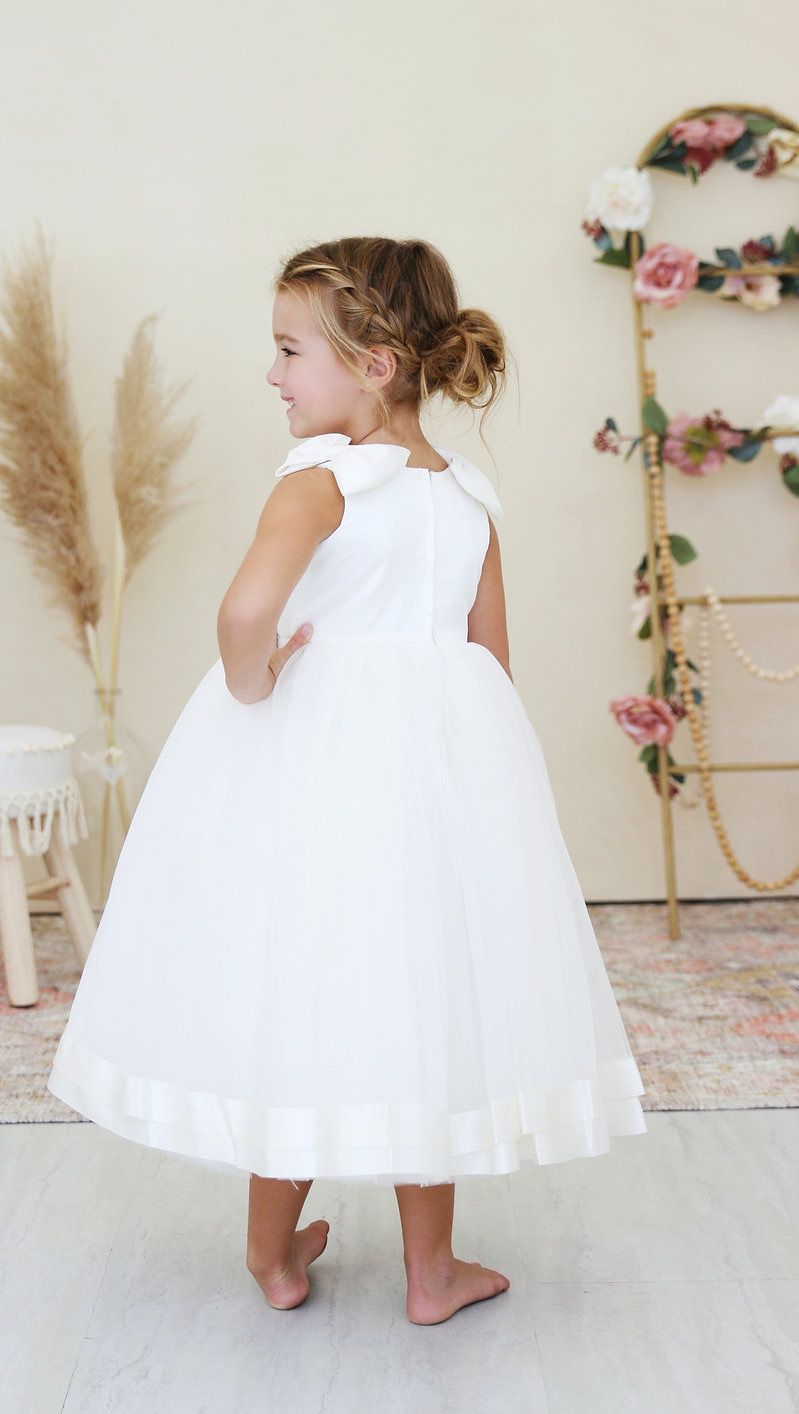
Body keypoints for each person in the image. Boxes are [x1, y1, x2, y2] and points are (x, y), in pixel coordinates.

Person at [47, 236, 647, 1325]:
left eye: (288, 351)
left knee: (304, 994)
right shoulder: (467, 496)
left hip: (315, 775)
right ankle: (432, 1274)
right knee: (427, 1001)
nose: (272, 375)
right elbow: (489, 659)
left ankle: (273, 1259)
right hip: (439, 778)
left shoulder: (319, 481)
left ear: (374, 364)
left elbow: (242, 615)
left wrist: (256, 679)